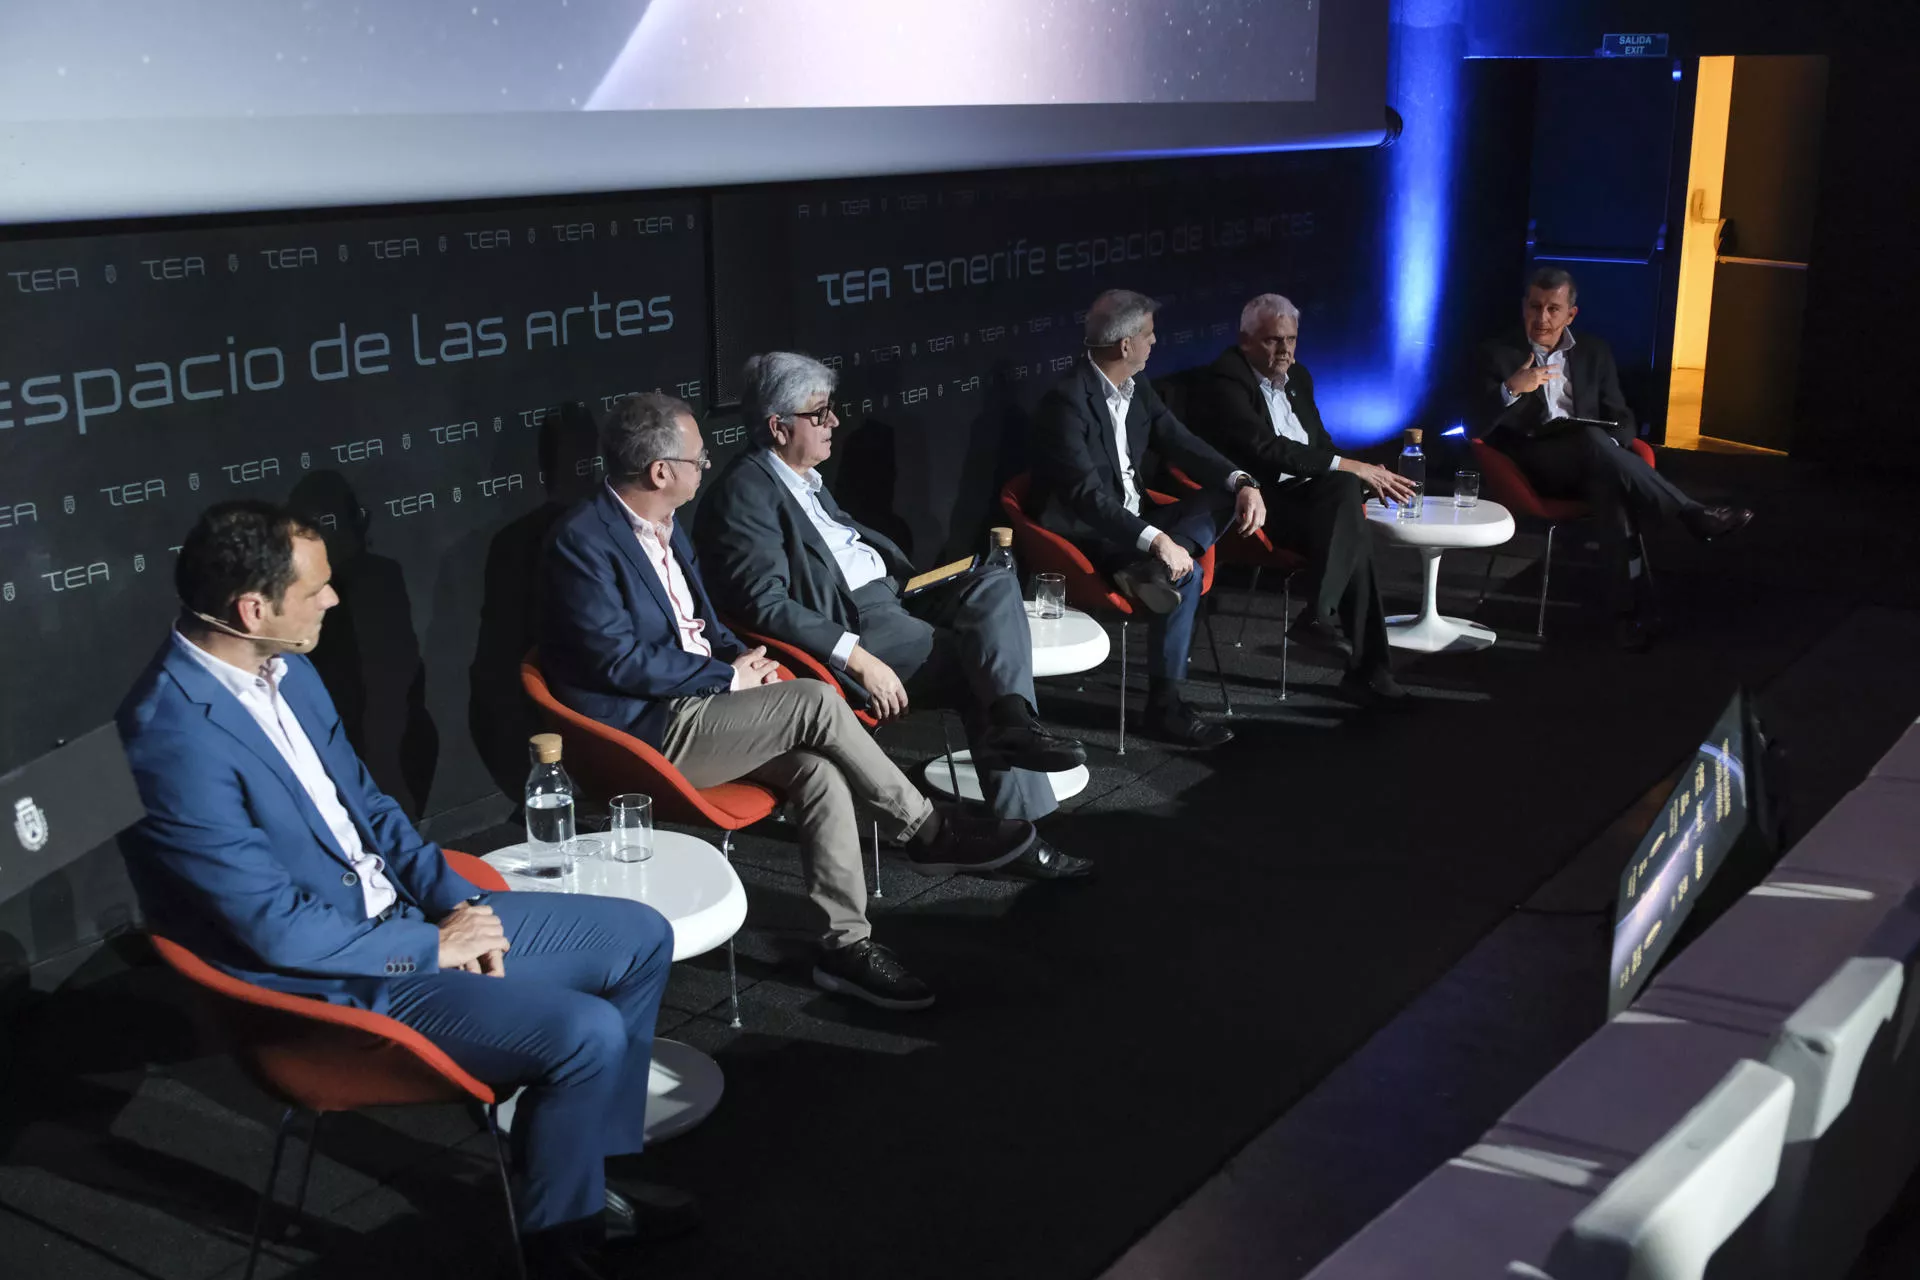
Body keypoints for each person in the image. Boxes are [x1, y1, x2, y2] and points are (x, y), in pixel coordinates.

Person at [116, 500, 682, 1280]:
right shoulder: (170, 736)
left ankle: (575, 1183)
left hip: (404, 916)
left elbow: (372, 808)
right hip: (342, 983)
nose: (334, 600)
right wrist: (432, 946)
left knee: (641, 936)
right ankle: (559, 1247)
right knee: (587, 1034)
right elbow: (276, 931)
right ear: (254, 609)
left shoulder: (289, 669)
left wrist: (452, 900)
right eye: (315, 589)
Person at [539, 392, 1035, 1012]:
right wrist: (725, 679)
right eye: (697, 458)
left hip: (705, 707)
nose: (707, 466)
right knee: (817, 703)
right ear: (660, 472)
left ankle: (845, 947)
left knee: (820, 773)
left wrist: (745, 660)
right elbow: (613, 661)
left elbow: (703, 625)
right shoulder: (582, 541)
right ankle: (927, 829)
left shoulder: (668, 528)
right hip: (648, 730)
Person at [693, 352, 1094, 880]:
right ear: (778, 426)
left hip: (898, 594)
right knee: (982, 671)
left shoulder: (802, 478)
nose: (835, 421)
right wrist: (856, 657)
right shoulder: (747, 492)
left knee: (995, 582)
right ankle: (1024, 826)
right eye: (820, 413)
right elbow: (763, 604)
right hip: (856, 624)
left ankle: (1014, 724)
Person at [1029, 288, 1266, 747]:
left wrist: (1242, 481)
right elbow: (1086, 498)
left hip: (1139, 522)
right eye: (1149, 335)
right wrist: (1156, 540)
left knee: (1222, 496)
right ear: (1125, 345)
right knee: (1189, 575)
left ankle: (1150, 571)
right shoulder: (1066, 402)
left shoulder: (1140, 391)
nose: (1155, 343)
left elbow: (1184, 444)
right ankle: (1164, 707)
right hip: (1091, 533)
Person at [1478, 267, 1754, 649]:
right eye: (1535, 307)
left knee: (1608, 482)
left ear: (1571, 314)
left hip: (1593, 459)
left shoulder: (1593, 351)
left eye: (1553, 309)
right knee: (1593, 444)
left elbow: (1622, 417)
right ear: (1524, 306)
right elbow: (1471, 423)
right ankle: (1689, 513)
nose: (1542, 318)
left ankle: (1629, 617)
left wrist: (1610, 445)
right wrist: (1512, 388)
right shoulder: (1499, 353)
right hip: (1533, 465)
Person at [1184, 293, 1414, 703]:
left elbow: (1319, 445)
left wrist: (1350, 472)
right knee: (1349, 521)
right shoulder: (1226, 379)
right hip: (1258, 504)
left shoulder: (1299, 378)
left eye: (1291, 339)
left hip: (1310, 499)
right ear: (1246, 340)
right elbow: (1264, 448)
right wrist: (1351, 467)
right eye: (1274, 340)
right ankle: (1367, 668)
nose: (1285, 349)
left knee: (1346, 504)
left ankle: (1324, 620)